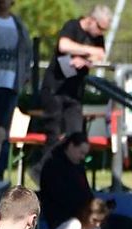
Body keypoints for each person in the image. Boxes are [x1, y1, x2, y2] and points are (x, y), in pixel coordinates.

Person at [38, 5, 111, 159]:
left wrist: (84, 60)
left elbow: (100, 55)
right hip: (55, 89)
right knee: (53, 134)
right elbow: (64, 46)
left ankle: (71, 169)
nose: (101, 33)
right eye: (100, 27)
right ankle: (45, 169)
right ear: (91, 20)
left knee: (76, 136)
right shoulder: (72, 26)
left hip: (74, 93)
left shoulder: (97, 38)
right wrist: (88, 51)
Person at [0, 0, 33, 180]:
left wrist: (25, 75)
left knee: (3, 133)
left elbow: (27, 54)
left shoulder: (18, 26)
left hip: (10, 85)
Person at [38, 132, 94, 229]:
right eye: (81, 152)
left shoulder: (78, 166)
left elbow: (86, 191)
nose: (82, 157)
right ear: (71, 146)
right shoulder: (53, 166)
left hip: (81, 213)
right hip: (63, 217)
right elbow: (60, 196)